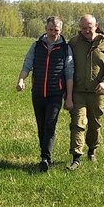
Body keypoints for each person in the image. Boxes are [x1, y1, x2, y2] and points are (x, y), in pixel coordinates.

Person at [16, 17, 74, 171]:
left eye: (56, 30)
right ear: (45, 29)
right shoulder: (36, 46)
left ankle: (45, 158)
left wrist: (68, 98)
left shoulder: (65, 49)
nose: (53, 33)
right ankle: (44, 155)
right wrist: (21, 79)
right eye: (50, 29)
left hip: (55, 94)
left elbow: (69, 73)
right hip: (38, 93)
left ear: (61, 31)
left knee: (50, 124)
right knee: (41, 126)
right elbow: (27, 64)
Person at [66, 14, 104, 170]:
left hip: (97, 92)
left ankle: (92, 150)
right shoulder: (74, 43)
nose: (86, 31)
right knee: (78, 123)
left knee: (95, 124)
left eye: (89, 28)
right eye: (83, 28)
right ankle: (76, 157)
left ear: (96, 26)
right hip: (78, 91)